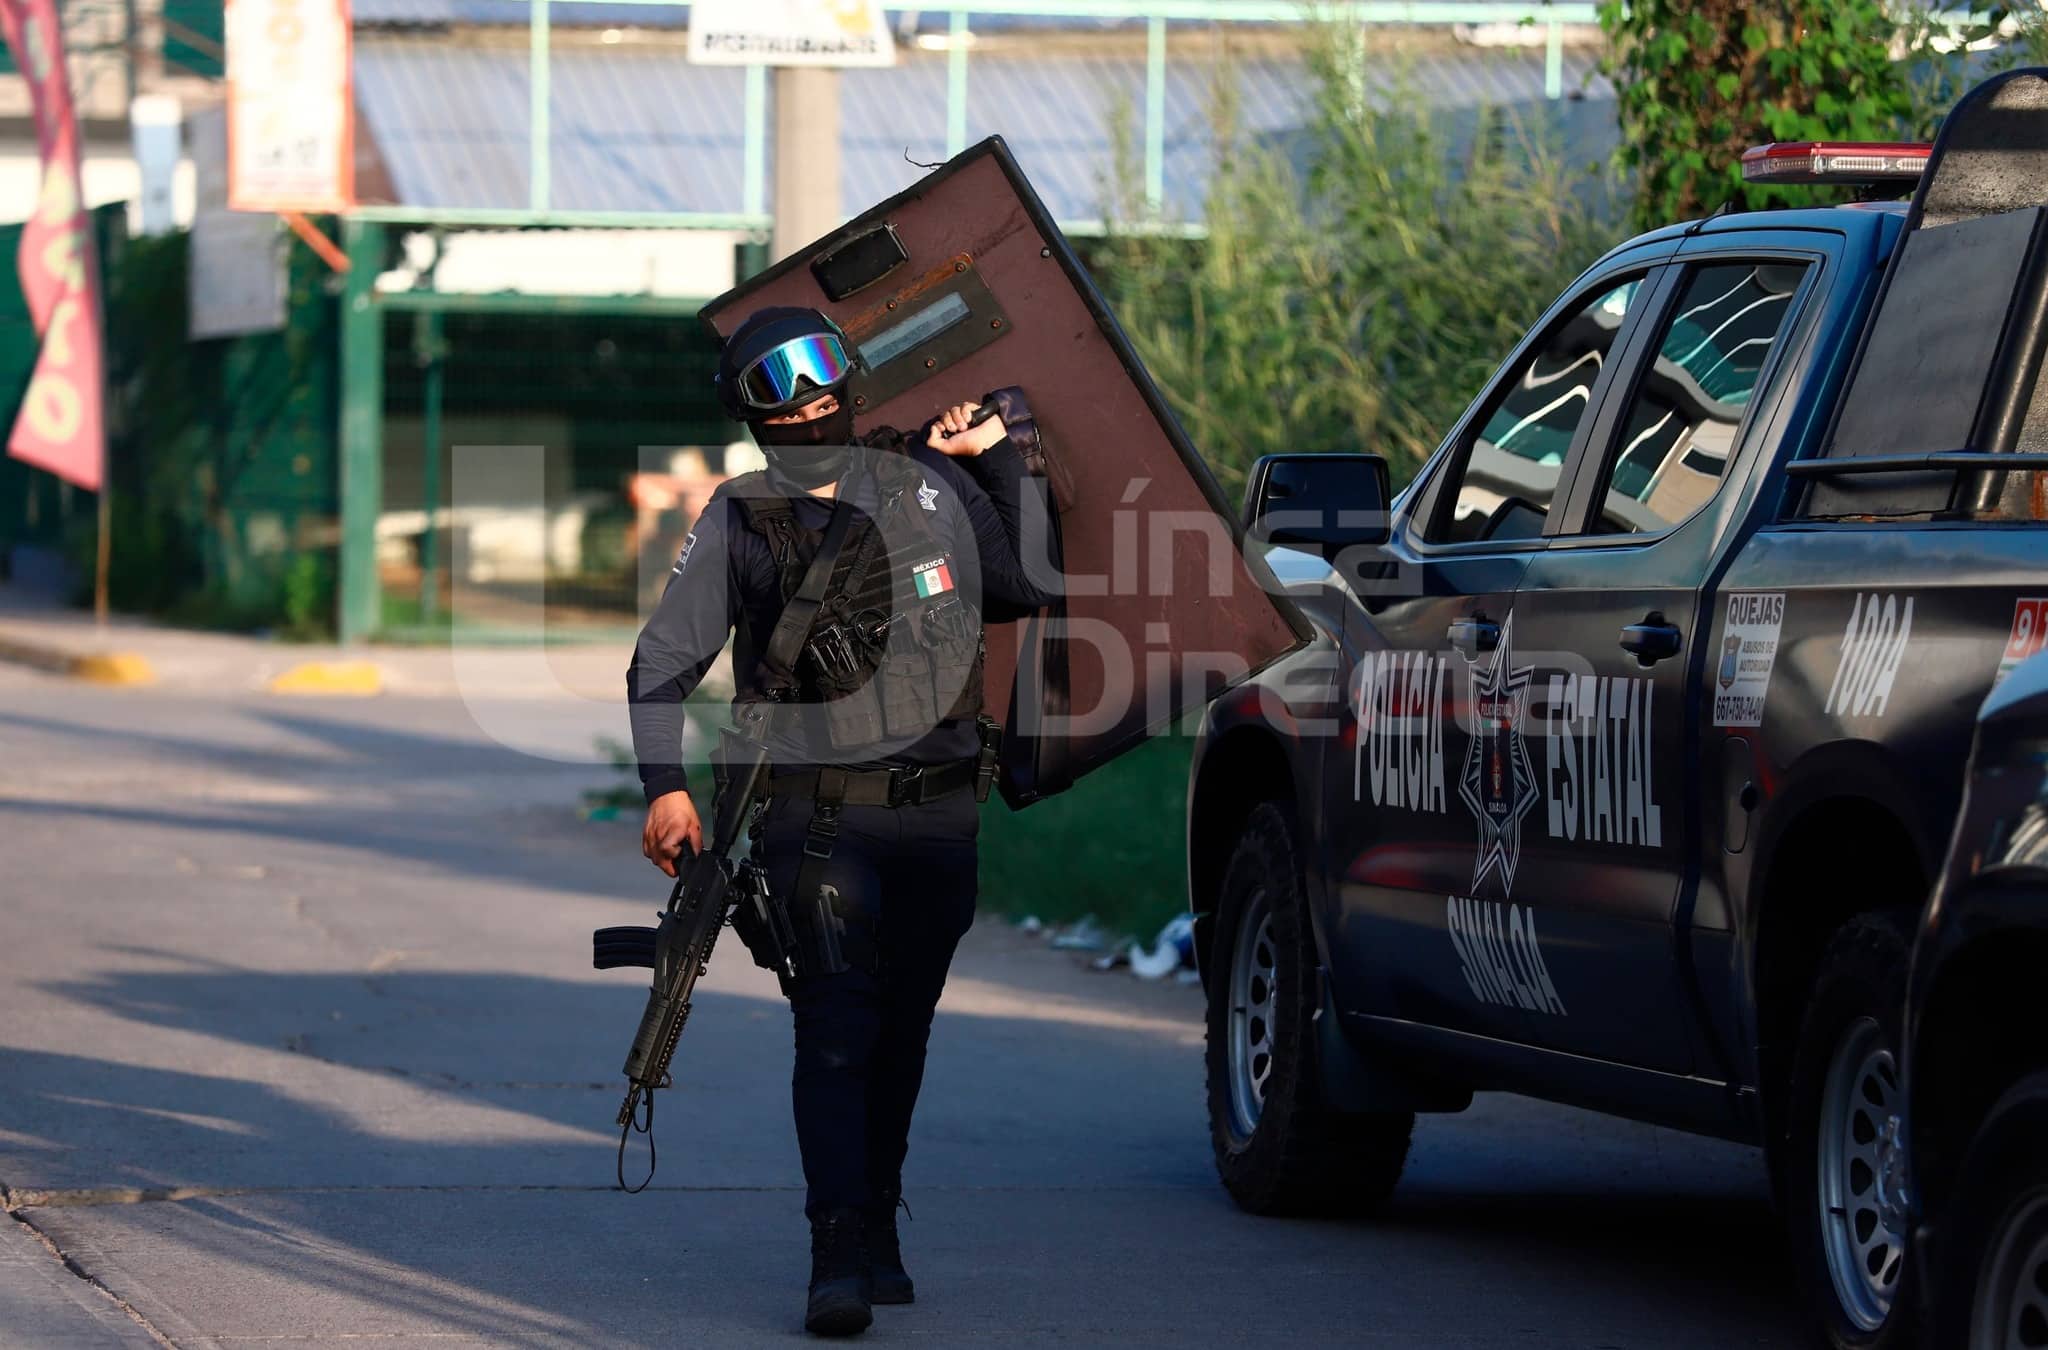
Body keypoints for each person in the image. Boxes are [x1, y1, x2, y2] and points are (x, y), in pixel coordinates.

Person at [626, 306, 1058, 1337]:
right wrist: (664, 785)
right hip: (816, 826)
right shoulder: (739, 519)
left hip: (941, 817)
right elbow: (660, 664)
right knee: (833, 1036)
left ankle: (875, 1225)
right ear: (751, 419)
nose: (808, 397)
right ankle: (834, 1253)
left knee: (898, 1036)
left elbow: (1025, 583)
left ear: (849, 378)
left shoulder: (932, 484)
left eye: (820, 375)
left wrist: (1008, 459)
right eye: (780, 389)